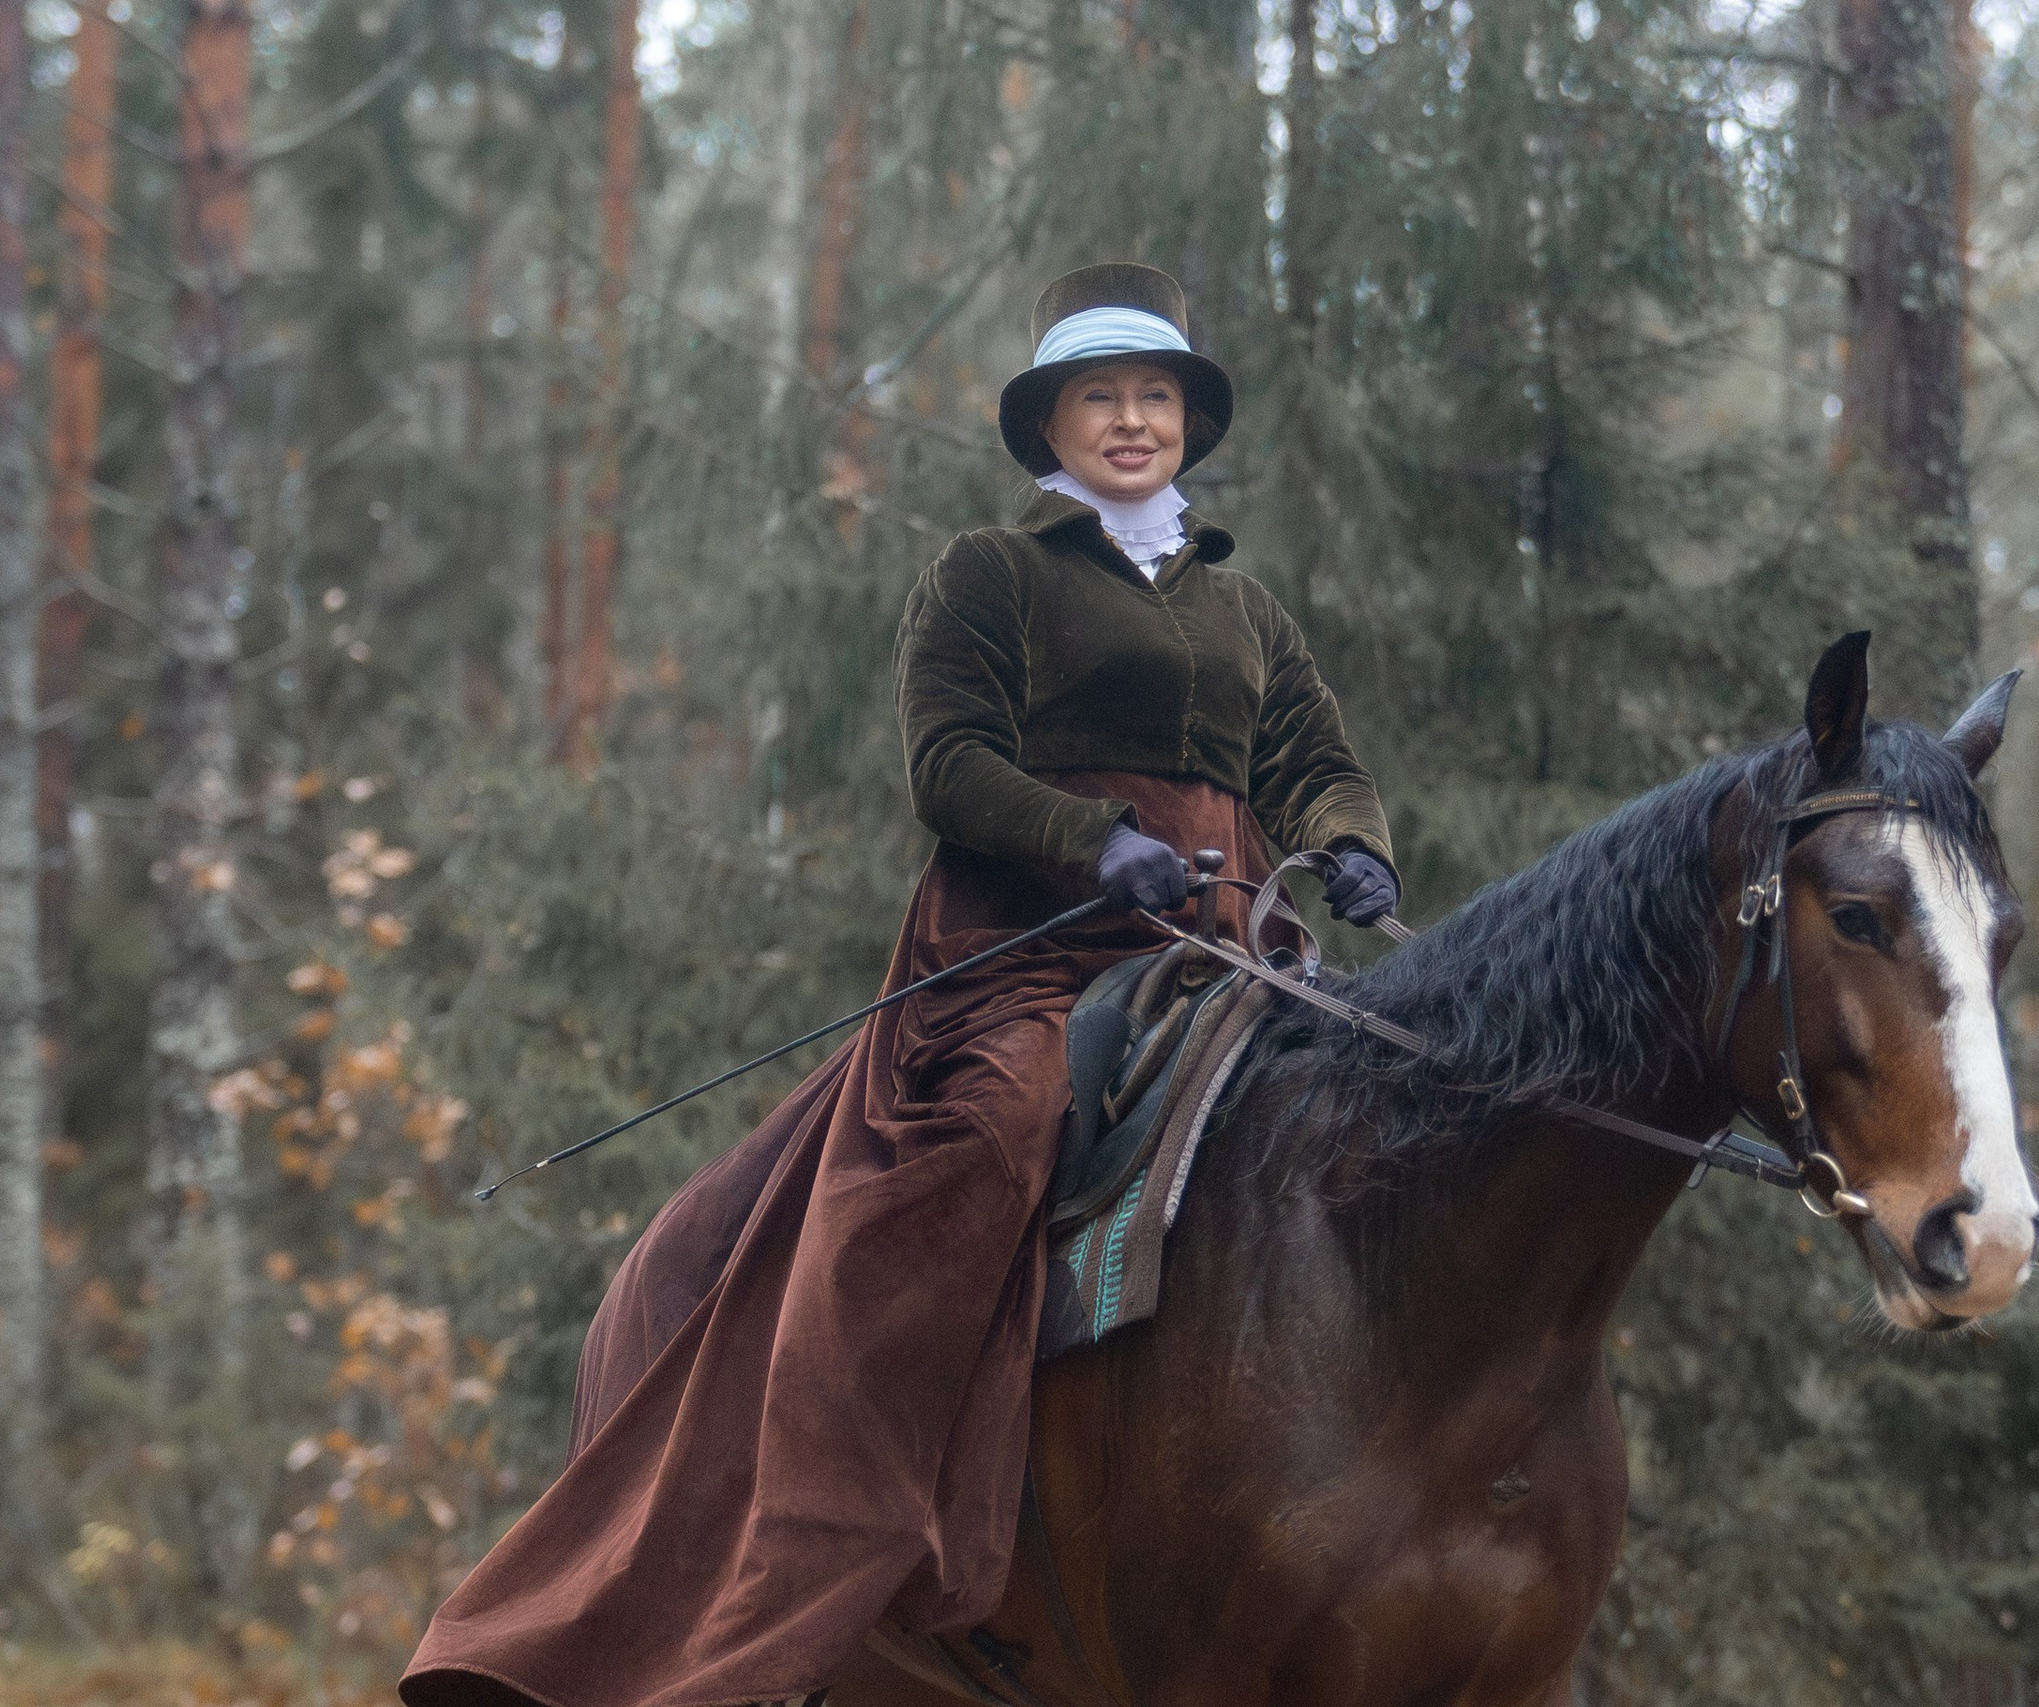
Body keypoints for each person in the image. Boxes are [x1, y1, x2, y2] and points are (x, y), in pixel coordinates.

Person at [401, 264, 1399, 1707]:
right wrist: (1093, 844)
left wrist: (1352, 847)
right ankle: (852, 1532)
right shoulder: (990, 577)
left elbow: (1319, 762)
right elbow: (948, 765)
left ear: (1190, 422)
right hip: (1031, 950)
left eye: (1156, 398)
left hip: (1233, 942)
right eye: (1101, 398)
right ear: (1050, 426)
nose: (1132, 422)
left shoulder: (1247, 612)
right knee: (996, 1129)